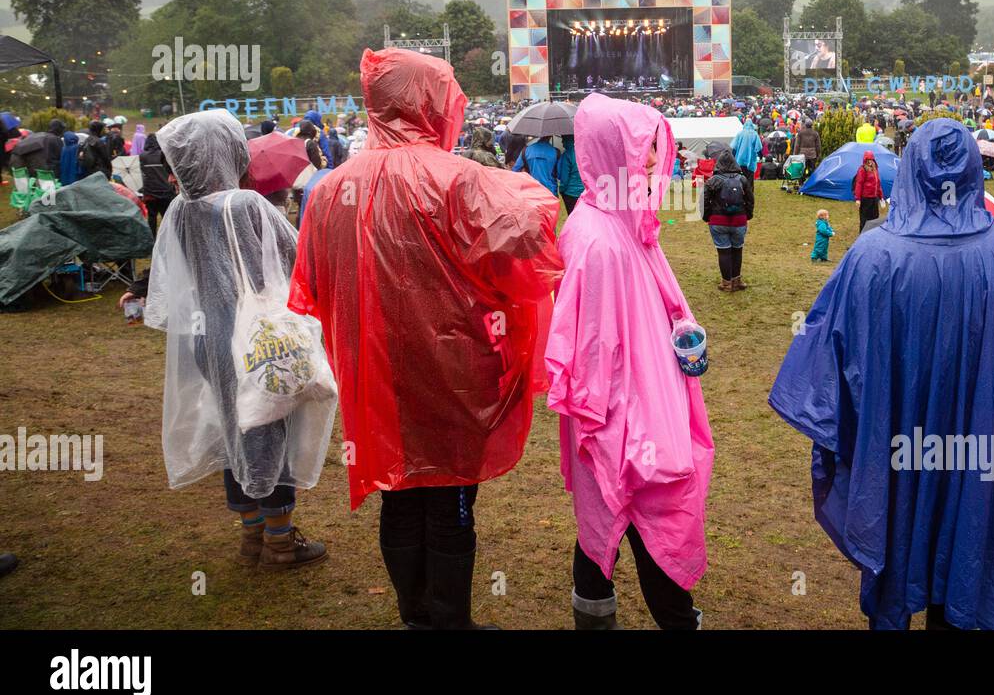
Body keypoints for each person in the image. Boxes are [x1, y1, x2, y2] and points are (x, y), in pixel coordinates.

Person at [288, 48, 562, 629]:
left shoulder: (331, 187)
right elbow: (523, 248)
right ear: (429, 101)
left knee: (398, 486)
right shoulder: (458, 179)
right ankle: (448, 620)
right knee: (451, 493)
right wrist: (534, 197)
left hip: (374, 368)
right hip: (450, 365)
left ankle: (416, 615)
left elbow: (310, 280)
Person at [769, 118, 994, 629]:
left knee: (904, 533)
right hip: (978, 450)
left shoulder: (873, 256)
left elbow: (829, 362)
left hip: (898, 447)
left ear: (908, 168)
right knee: (963, 548)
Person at [544, 93, 714, 630]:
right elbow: (591, 354)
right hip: (625, 415)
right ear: (607, 151)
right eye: (636, 149)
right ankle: (676, 618)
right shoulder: (598, 242)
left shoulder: (625, 223)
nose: (645, 162)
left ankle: (595, 611)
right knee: (646, 508)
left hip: (645, 397)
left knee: (614, 517)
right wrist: (626, 433)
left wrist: (680, 330)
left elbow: (648, 307)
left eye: (649, 151)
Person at [144, 110, 335, 571]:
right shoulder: (246, 205)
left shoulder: (179, 211)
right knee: (269, 424)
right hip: (257, 339)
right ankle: (281, 541)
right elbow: (299, 254)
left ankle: (251, 535)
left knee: (233, 426)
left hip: (207, 337)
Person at [701, 148, 754, 292]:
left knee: (723, 252)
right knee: (737, 250)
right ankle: (736, 281)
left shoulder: (712, 181)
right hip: (739, 220)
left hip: (718, 221)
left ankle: (726, 283)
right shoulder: (742, 179)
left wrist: (707, 217)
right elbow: (750, 199)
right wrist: (747, 215)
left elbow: (704, 201)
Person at [138, 133, 175, 236]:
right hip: (166, 191)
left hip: (150, 192)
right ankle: (166, 238)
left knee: (152, 216)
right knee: (166, 217)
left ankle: (152, 238)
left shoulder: (143, 156)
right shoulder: (165, 155)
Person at [852, 154, 882, 232]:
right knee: (865, 219)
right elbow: (859, 184)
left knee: (875, 217)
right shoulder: (862, 169)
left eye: (871, 160)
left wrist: (881, 196)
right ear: (865, 161)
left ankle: (872, 234)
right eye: (867, 160)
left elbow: (878, 183)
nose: (869, 162)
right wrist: (858, 199)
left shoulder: (875, 169)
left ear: (873, 160)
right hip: (865, 198)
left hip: (874, 198)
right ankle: (862, 235)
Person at [556, 132, 585, 213]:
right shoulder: (583, 151)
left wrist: (561, 189)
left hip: (570, 193)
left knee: (573, 217)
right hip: (584, 191)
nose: (562, 142)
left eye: (563, 140)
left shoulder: (567, 154)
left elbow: (564, 178)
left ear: (567, 140)